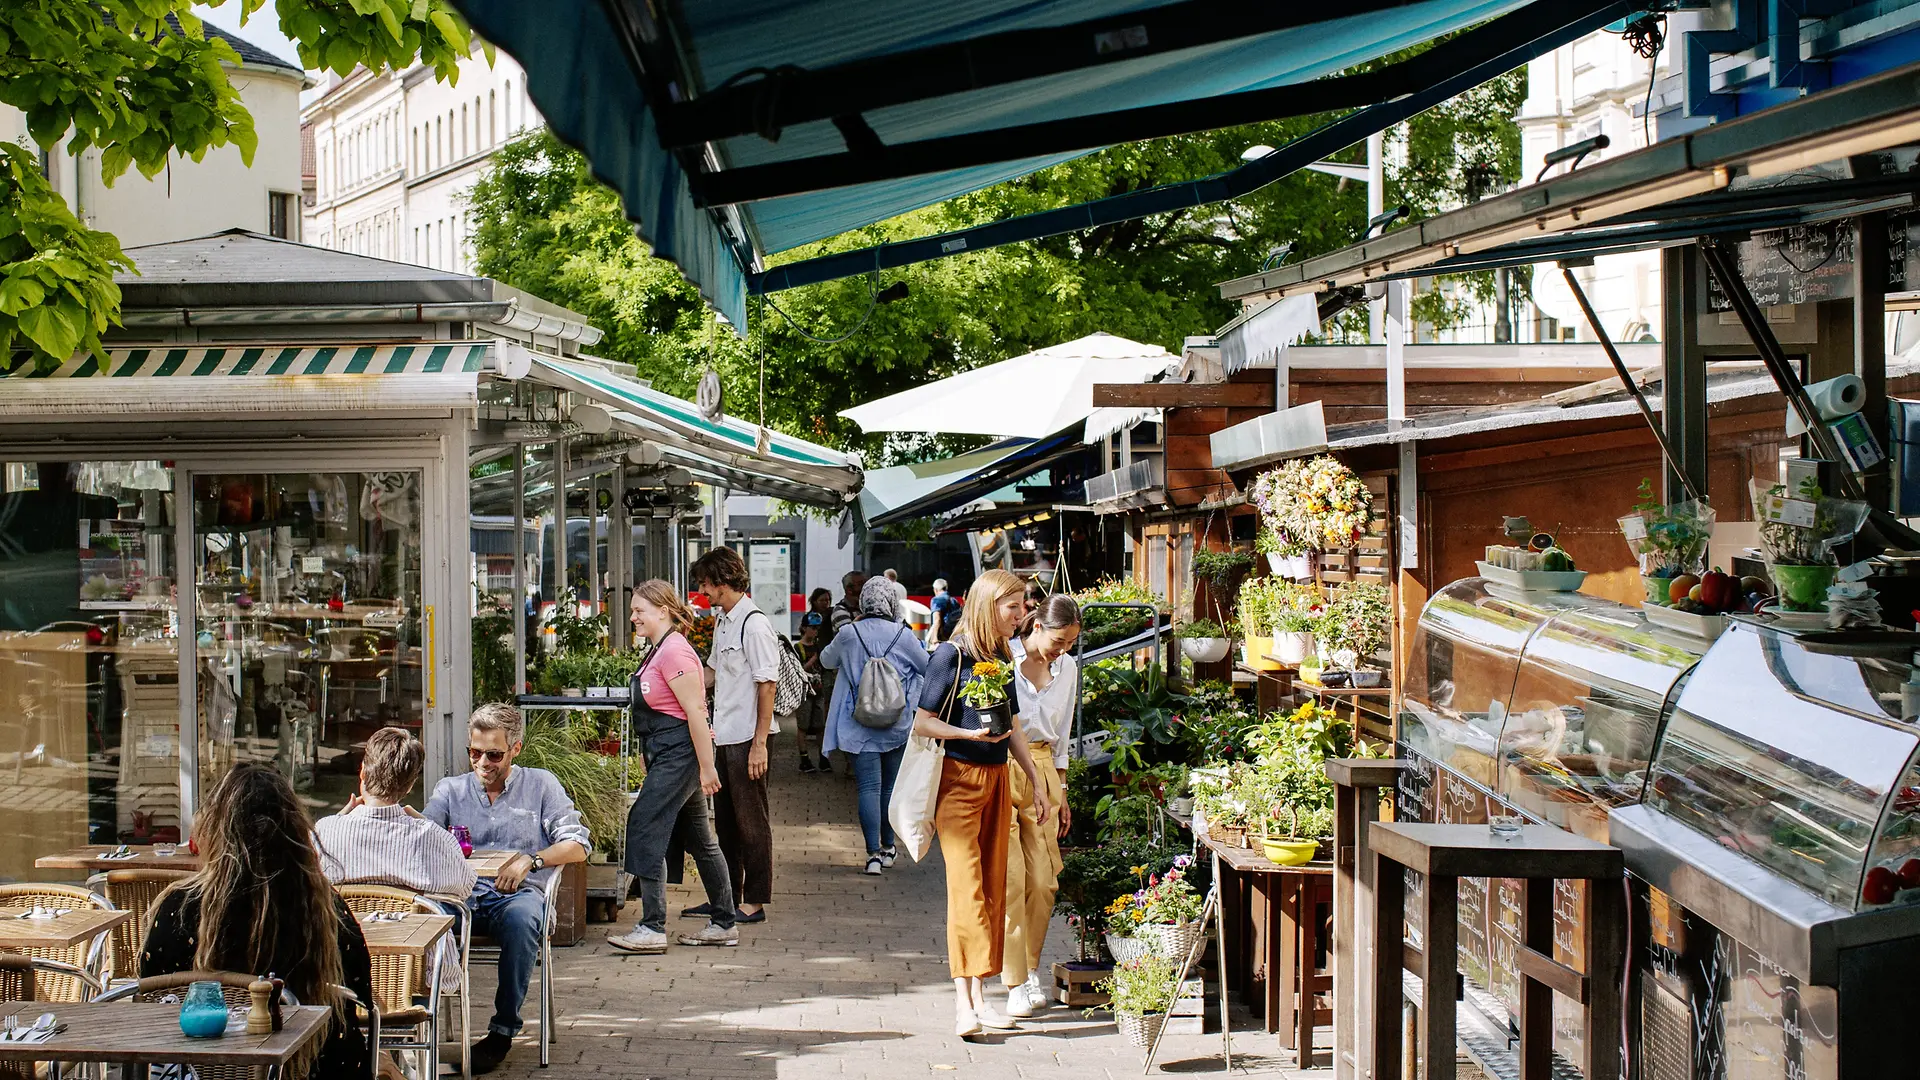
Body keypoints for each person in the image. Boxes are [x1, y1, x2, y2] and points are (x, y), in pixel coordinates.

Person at [143, 763, 376, 1079]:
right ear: (295, 831)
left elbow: (150, 995)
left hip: (199, 1071)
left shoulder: (178, 908)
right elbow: (359, 993)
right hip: (312, 1068)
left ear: (216, 829)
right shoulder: (324, 909)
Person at [914, 568, 1053, 1036]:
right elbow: (923, 722)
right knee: (968, 889)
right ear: (988, 605)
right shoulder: (950, 656)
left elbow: (1012, 724)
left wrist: (1034, 779)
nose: (1023, 614)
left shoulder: (999, 656)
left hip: (997, 781)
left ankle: (979, 997)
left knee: (993, 890)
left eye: (1024, 605)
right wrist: (966, 733)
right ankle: (962, 1004)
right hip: (957, 782)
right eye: (1013, 606)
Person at [427, 703, 591, 1074]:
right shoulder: (450, 791)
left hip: (517, 896)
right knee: (423, 918)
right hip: (461, 895)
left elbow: (578, 845)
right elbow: (424, 836)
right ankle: (420, 1022)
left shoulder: (540, 785)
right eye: (474, 752)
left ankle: (502, 1031)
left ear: (515, 749)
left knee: (522, 920)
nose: (483, 762)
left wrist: (531, 860)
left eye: (494, 754)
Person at [609, 580, 739, 954]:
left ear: (663, 611)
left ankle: (652, 926)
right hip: (667, 753)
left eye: (639, 611)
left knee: (645, 821)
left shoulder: (675, 653)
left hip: (680, 754)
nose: (633, 616)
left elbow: (697, 712)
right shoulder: (657, 650)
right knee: (699, 838)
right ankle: (724, 922)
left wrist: (707, 766)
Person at [1001, 594, 1082, 1017]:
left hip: (1045, 769)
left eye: (1070, 643)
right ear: (1036, 626)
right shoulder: (1003, 660)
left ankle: (1029, 966)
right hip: (1004, 766)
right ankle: (1016, 980)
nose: (1063, 649)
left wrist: (1061, 789)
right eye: (1059, 640)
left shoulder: (1067, 668)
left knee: (1044, 879)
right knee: (1012, 878)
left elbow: (1063, 730)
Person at [688, 546, 777, 925]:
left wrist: (759, 744)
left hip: (745, 738)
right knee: (725, 823)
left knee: (751, 823)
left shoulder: (754, 624)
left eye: (705, 584)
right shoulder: (725, 620)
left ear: (722, 581)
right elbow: (712, 674)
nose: (702, 592)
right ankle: (726, 896)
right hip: (724, 736)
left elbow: (767, 684)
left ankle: (754, 901)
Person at [820, 577, 928, 875]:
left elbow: (827, 661)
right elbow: (926, 667)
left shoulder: (848, 634)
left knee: (868, 786)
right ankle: (890, 846)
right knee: (890, 788)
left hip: (859, 724)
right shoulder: (903, 636)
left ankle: (873, 855)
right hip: (897, 724)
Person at [795, 587, 835, 774]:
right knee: (803, 725)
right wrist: (814, 658)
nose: (815, 631)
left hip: (818, 690)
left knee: (820, 724)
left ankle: (822, 757)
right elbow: (798, 669)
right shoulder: (799, 647)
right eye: (812, 627)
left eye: (817, 628)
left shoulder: (821, 643)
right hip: (805, 692)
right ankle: (804, 758)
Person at [829, 570, 866, 637]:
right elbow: (849, 636)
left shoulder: (864, 607)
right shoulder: (840, 611)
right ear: (849, 590)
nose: (866, 587)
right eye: (861, 584)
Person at [927, 577, 961, 646]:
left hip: (942, 634)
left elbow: (937, 619)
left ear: (935, 590)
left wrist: (934, 637)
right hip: (952, 634)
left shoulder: (936, 600)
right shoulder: (954, 600)